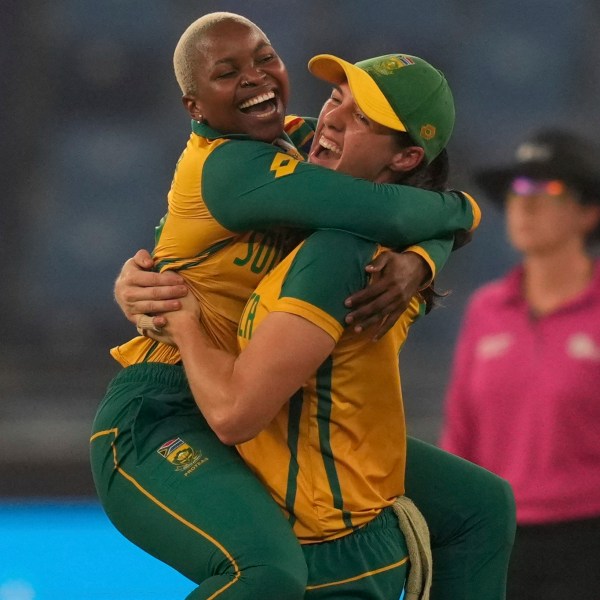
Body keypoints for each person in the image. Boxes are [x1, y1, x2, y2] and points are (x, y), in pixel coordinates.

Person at [94, 12, 514, 600]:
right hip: (163, 407)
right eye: (227, 71)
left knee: (480, 504)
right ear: (193, 107)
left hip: (259, 402)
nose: (254, 77)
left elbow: (391, 196)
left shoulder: (300, 138)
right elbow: (393, 209)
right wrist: (458, 219)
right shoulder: (231, 166)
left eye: (265, 57)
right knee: (264, 574)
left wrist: (424, 255)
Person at [439, 128, 600, 600]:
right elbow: (460, 434)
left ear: (588, 212)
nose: (523, 204)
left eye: (546, 190)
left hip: (589, 540)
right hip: (497, 538)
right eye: (516, 191)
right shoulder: (487, 308)